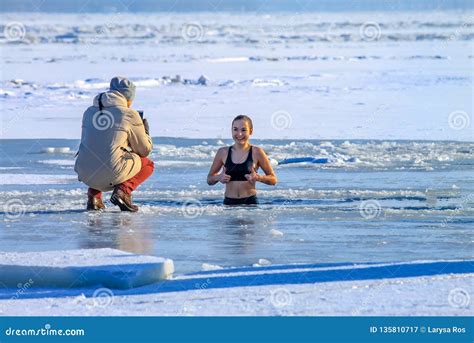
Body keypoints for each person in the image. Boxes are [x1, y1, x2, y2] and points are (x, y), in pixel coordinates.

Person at [74, 76, 153, 212]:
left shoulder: (89, 112)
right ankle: (123, 192)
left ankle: (93, 196)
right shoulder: (128, 114)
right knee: (147, 164)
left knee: (100, 153)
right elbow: (144, 150)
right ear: (128, 99)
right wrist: (145, 132)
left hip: (85, 172)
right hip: (111, 171)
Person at [207, 115, 277, 205]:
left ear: (251, 131)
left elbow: (273, 179)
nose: (239, 134)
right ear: (231, 130)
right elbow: (209, 179)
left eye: (243, 130)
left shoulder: (257, 152)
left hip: (250, 203)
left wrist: (258, 177)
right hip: (229, 204)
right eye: (235, 129)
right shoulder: (222, 152)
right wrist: (218, 177)